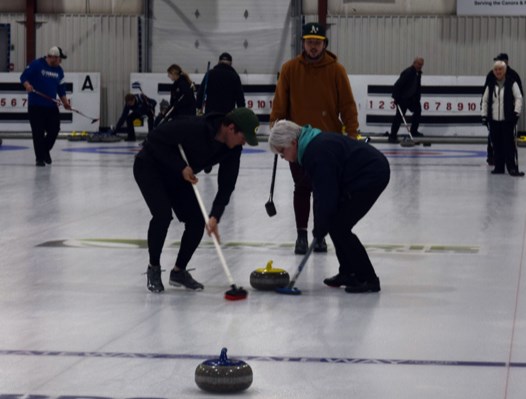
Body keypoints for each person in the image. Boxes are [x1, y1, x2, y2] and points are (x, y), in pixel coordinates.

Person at [133, 107, 259, 293]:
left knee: (197, 221)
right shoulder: (193, 127)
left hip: (178, 176)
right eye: (243, 137)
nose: (244, 143)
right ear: (231, 128)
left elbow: (227, 184)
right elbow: (154, 139)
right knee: (162, 215)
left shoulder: (233, 149)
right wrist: (180, 166)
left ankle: (179, 271)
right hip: (150, 166)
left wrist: (215, 216)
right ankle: (154, 268)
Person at [268, 120, 390, 293]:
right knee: (335, 223)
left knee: (341, 226)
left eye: (282, 153)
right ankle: (348, 272)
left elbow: (327, 194)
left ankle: (368, 279)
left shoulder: (315, 152)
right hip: (358, 175)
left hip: (371, 174)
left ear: (293, 143)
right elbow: (321, 192)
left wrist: (320, 227)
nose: (284, 158)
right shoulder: (310, 148)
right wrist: (321, 224)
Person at [269, 22, 359, 255]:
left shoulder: (336, 70)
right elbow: (279, 105)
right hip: (295, 143)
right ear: (303, 43)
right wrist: (276, 132)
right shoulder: (289, 69)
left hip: (328, 143)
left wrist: (352, 133)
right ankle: (301, 235)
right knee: (302, 188)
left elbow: (347, 105)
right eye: (310, 42)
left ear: (324, 45)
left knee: (325, 190)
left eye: (317, 43)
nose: (313, 47)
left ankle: (320, 236)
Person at [20, 46, 72, 166]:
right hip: (36, 106)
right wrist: (27, 85)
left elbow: (61, 88)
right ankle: (40, 158)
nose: (60, 61)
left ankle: (44, 151)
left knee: (54, 129)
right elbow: (23, 77)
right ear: (53, 57)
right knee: (38, 133)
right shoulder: (37, 64)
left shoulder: (59, 70)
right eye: (59, 59)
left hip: (51, 106)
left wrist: (65, 102)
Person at [196, 52, 246, 173]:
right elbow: (240, 99)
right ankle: (224, 163)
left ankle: (208, 163)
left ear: (218, 62)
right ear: (231, 63)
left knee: (210, 139)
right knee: (224, 142)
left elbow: (201, 93)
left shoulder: (210, 74)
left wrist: (198, 107)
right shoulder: (234, 76)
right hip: (227, 117)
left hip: (210, 115)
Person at [481, 60, 524, 177]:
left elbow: (519, 98)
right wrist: (484, 116)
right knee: (497, 145)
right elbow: (485, 100)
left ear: (504, 70)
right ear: (493, 71)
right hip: (494, 120)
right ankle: (499, 167)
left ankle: (512, 168)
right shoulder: (490, 84)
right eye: (496, 69)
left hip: (508, 120)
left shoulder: (512, 82)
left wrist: (516, 113)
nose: (498, 72)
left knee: (509, 145)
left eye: (500, 69)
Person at [388, 57, 425, 143]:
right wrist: (396, 98)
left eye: (421, 65)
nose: (420, 66)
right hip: (403, 99)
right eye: (419, 64)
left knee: (418, 111)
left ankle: (413, 131)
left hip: (412, 99)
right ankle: (392, 136)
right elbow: (397, 85)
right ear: (414, 63)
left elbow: (417, 87)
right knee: (399, 117)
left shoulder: (418, 73)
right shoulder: (408, 72)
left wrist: (417, 98)